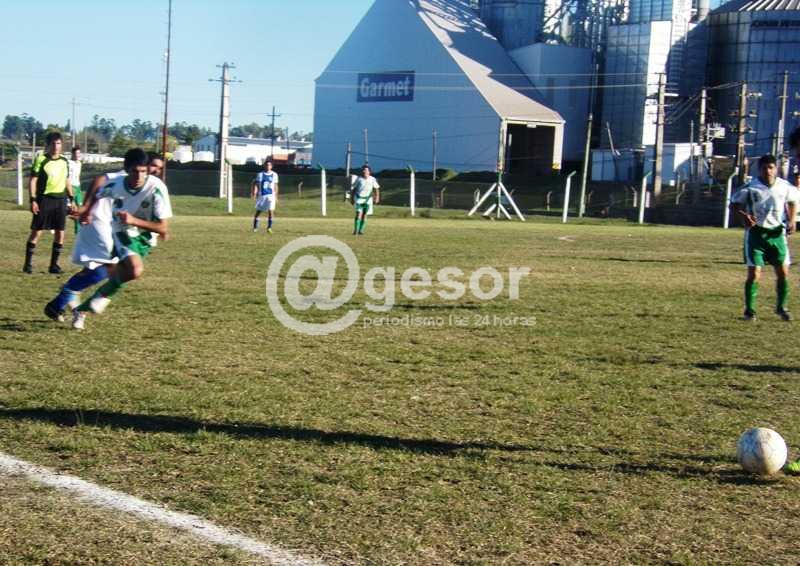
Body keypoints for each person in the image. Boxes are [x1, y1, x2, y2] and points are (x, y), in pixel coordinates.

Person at [731, 154, 799, 321]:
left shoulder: (785, 186)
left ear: (776, 169)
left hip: (777, 235)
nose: (768, 171)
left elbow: (792, 202)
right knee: (754, 274)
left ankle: (781, 308)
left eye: (771, 167)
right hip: (756, 235)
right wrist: (744, 216)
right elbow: (734, 205)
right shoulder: (750, 187)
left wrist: (792, 220)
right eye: (764, 168)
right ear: (759, 170)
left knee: (783, 272)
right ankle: (749, 311)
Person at [23, 132, 74, 274]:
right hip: (44, 200)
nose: (56, 146)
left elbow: (67, 180)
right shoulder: (41, 159)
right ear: (48, 145)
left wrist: (72, 198)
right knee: (37, 232)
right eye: (53, 143)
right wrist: (33, 200)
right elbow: (33, 181)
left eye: (58, 143)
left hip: (61, 200)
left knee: (60, 233)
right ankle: (27, 264)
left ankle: (54, 266)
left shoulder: (64, 161)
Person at [351, 165, 380, 235]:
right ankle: (356, 230)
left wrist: (377, 197)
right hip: (359, 199)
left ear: (369, 172)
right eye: (363, 170)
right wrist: (352, 199)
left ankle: (361, 230)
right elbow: (354, 189)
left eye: (366, 170)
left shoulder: (372, 179)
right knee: (358, 214)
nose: (364, 171)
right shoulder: (359, 179)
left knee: (365, 214)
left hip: (368, 199)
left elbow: (376, 189)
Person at [251, 160, 279, 233]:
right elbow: (256, 184)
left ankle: (269, 228)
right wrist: (254, 193)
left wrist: (276, 196)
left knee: (271, 211)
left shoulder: (274, 175)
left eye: (269, 165)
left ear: (271, 166)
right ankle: (255, 227)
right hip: (262, 196)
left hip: (271, 196)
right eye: (266, 165)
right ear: (264, 166)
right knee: (258, 211)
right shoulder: (260, 174)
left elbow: (275, 186)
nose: (268, 166)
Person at [68, 145, 83, 234]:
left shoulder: (79, 163)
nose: (78, 155)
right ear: (72, 154)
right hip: (71, 187)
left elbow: (78, 177)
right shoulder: (69, 163)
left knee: (80, 209)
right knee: (71, 209)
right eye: (76, 153)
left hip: (77, 188)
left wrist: (79, 188)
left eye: (79, 153)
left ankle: (78, 230)